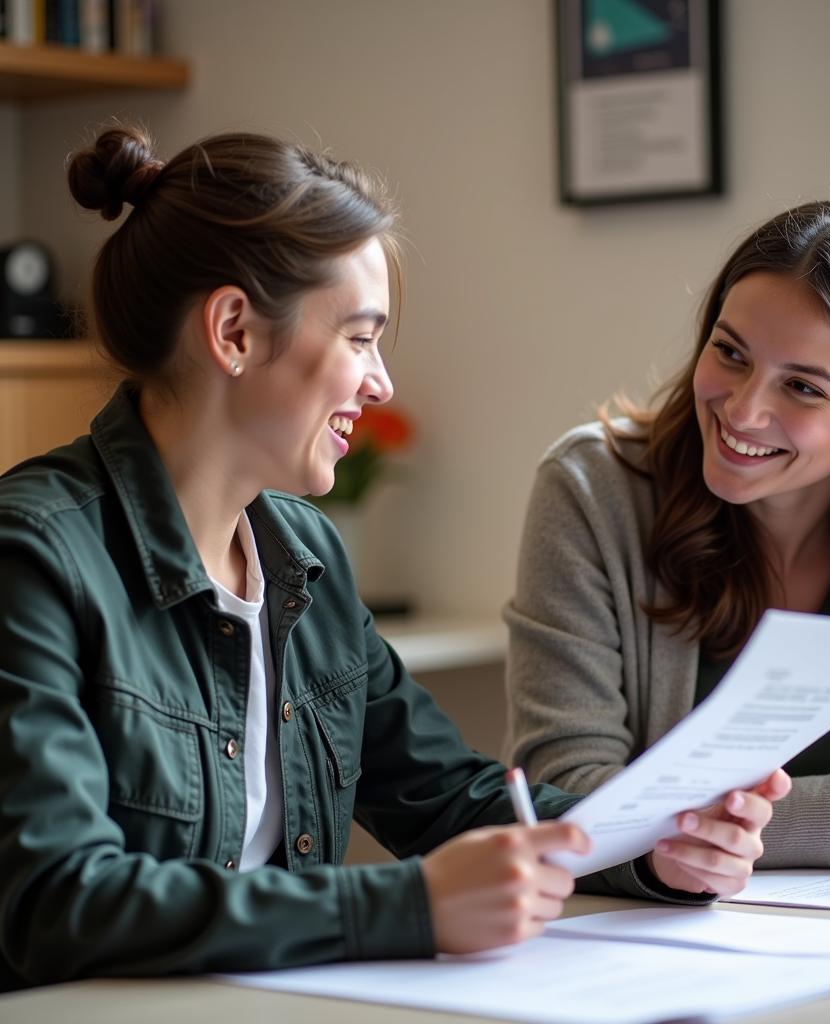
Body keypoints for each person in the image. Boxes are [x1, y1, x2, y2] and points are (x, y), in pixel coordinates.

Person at [0, 124, 790, 990]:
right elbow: (56, 900)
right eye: (359, 338)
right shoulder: (35, 557)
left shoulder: (304, 557)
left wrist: (654, 841)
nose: (382, 384)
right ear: (232, 331)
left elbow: (446, 797)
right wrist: (404, 906)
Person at [505, 197, 830, 890]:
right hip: (641, 943)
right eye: (730, 353)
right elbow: (564, 791)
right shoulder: (593, 490)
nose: (744, 411)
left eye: (804, 387)